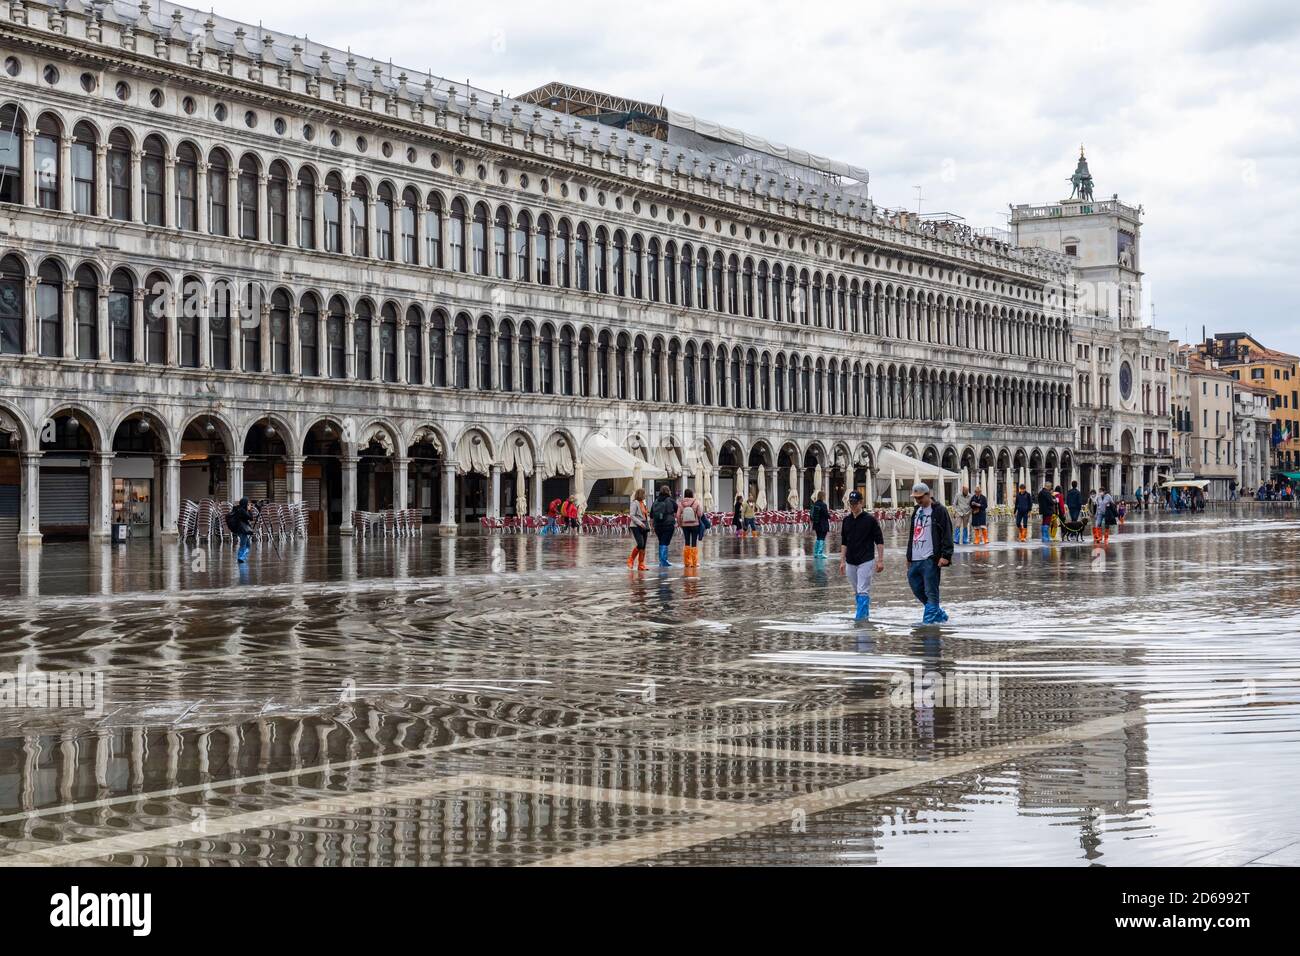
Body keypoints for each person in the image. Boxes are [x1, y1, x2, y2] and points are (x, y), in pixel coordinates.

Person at [906, 482, 952, 624]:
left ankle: (928, 626)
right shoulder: (916, 511)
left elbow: (946, 533)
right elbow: (912, 534)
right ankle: (939, 613)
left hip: (930, 559)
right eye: (915, 498)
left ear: (928, 495)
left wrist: (946, 555)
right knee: (915, 586)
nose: (918, 501)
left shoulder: (939, 511)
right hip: (915, 558)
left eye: (920, 497)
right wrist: (908, 556)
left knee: (931, 592)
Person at [838, 490, 884, 621]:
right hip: (850, 561)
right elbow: (844, 542)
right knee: (857, 590)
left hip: (866, 560)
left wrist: (880, 560)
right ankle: (864, 614)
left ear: (861, 503)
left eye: (855, 503)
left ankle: (860, 620)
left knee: (863, 589)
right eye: (850, 503)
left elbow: (879, 541)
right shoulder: (846, 521)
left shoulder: (870, 520)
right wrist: (842, 561)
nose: (852, 506)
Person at [650, 484, 677, 567]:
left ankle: (662, 560)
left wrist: (652, 526)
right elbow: (677, 509)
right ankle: (663, 561)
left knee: (661, 542)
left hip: (657, 525)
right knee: (664, 542)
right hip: (668, 524)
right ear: (668, 491)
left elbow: (651, 515)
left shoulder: (656, 501)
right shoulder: (671, 500)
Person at [677, 486, 704, 567]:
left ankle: (687, 562)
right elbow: (700, 514)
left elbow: (678, 515)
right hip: (695, 524)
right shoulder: (696, 502)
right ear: (692, 494)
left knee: (687, 542)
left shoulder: (680, 503)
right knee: (694, 542)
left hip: (685, 525)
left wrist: (680, 524)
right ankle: (694, 562)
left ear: (685, 494)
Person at [627, 488, 649, 570]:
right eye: (644, 494)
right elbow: (632, 515)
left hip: (644, 526)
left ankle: (641, 564)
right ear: (641, 494)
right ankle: (631, 559)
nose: (645, 495)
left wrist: (647, 523)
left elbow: (645, 515)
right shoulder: (634, 503)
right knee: (640, 544)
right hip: (636, 526)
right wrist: (640, 523)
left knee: (643, 546)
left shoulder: (643, 503)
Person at [228, 497, 254, 563]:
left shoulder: (239, 509)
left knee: (247, 544)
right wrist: (249, 510)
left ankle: (242, 557)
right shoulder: (242, 510)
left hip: (240, 529)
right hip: (242, 530)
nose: (249, 505)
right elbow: (250, 518)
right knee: (243, 544)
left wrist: (248, 510)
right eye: (248, 504)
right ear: (245, 503)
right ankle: (240, 557)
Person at [809, 490, 831, 557]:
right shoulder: (823, 505)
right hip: (823, 524)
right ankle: (820, 553)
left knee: (818, 538)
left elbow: (811, 515)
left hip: (816, 524)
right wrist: (829, 516)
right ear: (823, 497)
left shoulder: (815, 504)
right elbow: (826, 514)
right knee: (822, 538)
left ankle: (816, 553)